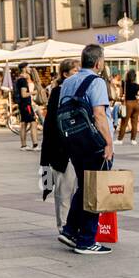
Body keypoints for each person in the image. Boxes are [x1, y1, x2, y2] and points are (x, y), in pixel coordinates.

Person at [57, 43, 115, 255]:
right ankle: (86, 240)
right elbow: (99, 115)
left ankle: (70, 231)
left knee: (84, 187)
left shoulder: (68, 81)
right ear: (99, 62)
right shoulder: (96, 81)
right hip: (94, 144)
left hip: (74, 143)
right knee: (95, 189)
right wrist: (108, 142)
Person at [40, 58, 79, 236]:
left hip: (77, 149)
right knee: (64, 191)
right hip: (62, 151)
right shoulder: (58, 92)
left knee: (76, 191)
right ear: (65, 74)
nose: (78, 74)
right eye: (74, 71)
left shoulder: (78, 91)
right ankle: (63, 226)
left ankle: (73, 226)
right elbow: (51, 125)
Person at [14, 62, 38, 151]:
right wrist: (34, 92)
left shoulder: (19, 79)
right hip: (26, 104)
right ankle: (35, 145)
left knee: (23, 124)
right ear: (24, 68)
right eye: (28, 67)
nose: (30, 69)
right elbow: (24, 94)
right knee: (33, 122)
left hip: (22, 104)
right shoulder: (23, 80)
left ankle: (23, 146)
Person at [117, 68, 139, 145]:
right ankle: (133, 140)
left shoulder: (124, 84)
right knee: (134, 123)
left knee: (124, 122)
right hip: (136, 104)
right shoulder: (137, 85)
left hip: (128, 104)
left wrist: (120, 98)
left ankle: (120, 139)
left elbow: (121, 95)